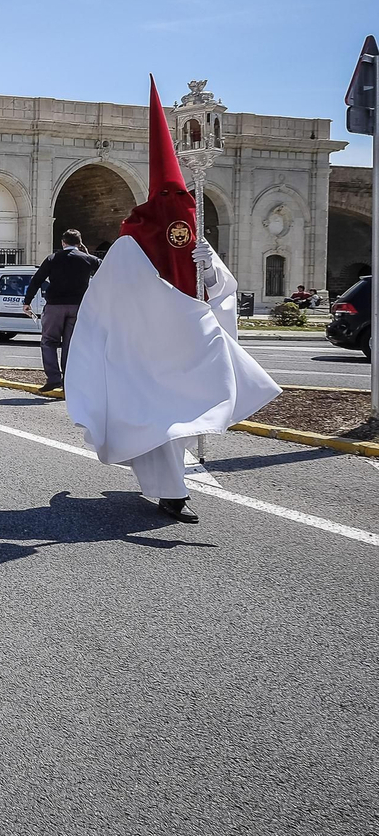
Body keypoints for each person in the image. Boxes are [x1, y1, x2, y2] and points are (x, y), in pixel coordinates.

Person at [67, 78, 280, 524]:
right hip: (145, 351)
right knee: (159, 422)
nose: (177, 210)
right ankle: (172, 494)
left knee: (173, 420)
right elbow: (114, 295)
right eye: (169, 200)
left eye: (181, 200)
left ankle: (168, 489)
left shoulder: (193, 237)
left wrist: (208, 267)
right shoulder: (131, 242)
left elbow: (220, 291)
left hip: (184, 349)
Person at [22, 228, 101, 393]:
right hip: (78, 307)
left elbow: (37, 280)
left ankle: (53, 378)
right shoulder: (88, 259)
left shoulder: (52, 259)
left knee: (49, 341)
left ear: (63, 242)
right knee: (70, 345)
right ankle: (68, 382)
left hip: (55, 306)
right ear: (79, 243)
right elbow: (106, 272)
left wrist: (27, 301)